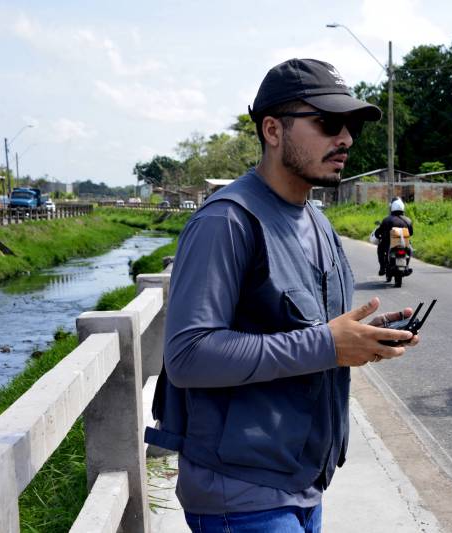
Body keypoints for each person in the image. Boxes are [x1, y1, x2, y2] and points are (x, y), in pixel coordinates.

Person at [146, 58, 419, 533]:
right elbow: (188, 355)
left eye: (351, 126)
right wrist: (327, 344)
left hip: (304, 479)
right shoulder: (226, 221)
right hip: (241, 492)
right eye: (328, 123)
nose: (346, 139)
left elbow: (310, 333)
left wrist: (359, 340)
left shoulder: (318, 222)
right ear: (273, 130)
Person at [373, 197, 414, 276]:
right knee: (410, 249)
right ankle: (407, 266)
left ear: (392, 207)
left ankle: (382, 268)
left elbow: (378, 232)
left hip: (388, 244)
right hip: (404, 244)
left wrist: (378, 236)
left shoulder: (387, 220)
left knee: (380, 248)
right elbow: (411, 233)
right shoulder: (408, 220)